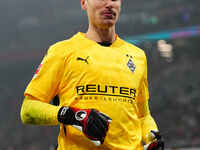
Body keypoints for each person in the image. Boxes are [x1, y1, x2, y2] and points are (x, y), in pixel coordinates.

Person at [20, 0, 164, 150]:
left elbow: (143, 116)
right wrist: (72, 115)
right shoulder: (62, 51)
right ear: (84, 3)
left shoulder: (138, 56)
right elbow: (28, 110)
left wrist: (151, 137)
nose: (109, 4)